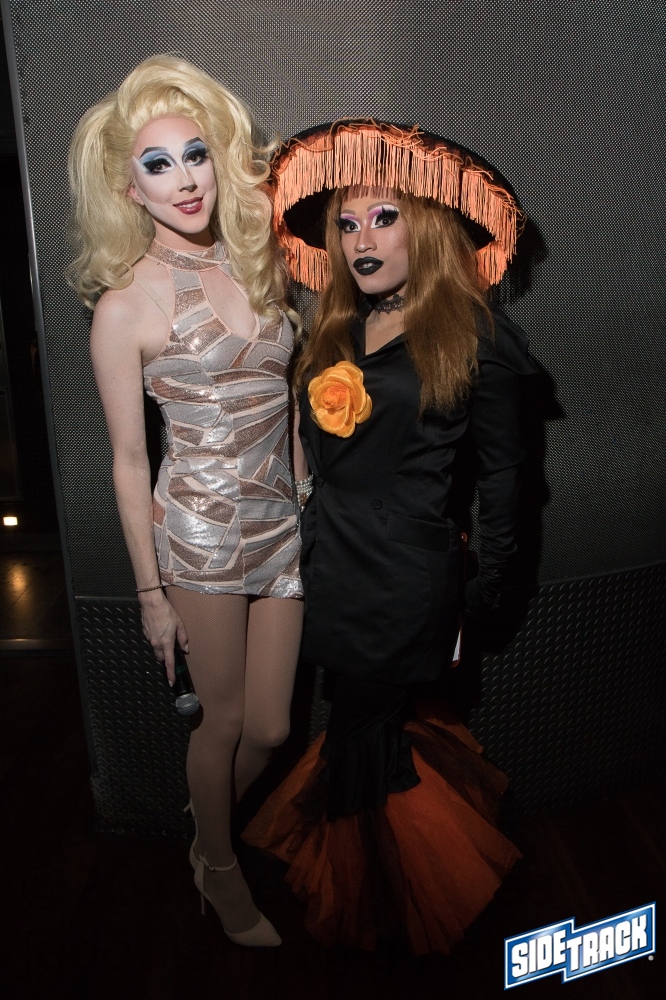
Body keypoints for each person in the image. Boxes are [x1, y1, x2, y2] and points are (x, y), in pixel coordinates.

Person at [245, 120, 537, 954]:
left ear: (430, 227)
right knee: (357, 727)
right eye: (347, 224)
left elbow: (509, 484)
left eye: (383, 219)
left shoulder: (477, 336)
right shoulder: (334, 329)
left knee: (361, 730)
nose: (361, 241)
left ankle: (375, 913)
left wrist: (486, 589)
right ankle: (372, 901)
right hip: (328, 567)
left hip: (406, 579)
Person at [68, 55, 304, 947]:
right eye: (158, 164)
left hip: (281, 524)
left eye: (196, 154)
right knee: (227, 720)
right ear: (130, 189)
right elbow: (130, 463)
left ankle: (206, 834)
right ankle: (220, 869)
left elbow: (285, 398)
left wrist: (306, 487)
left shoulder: (259, 264)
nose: (185, 179)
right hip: (200, 535)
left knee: (272, 728)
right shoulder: (124, 306)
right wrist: (150, 594)